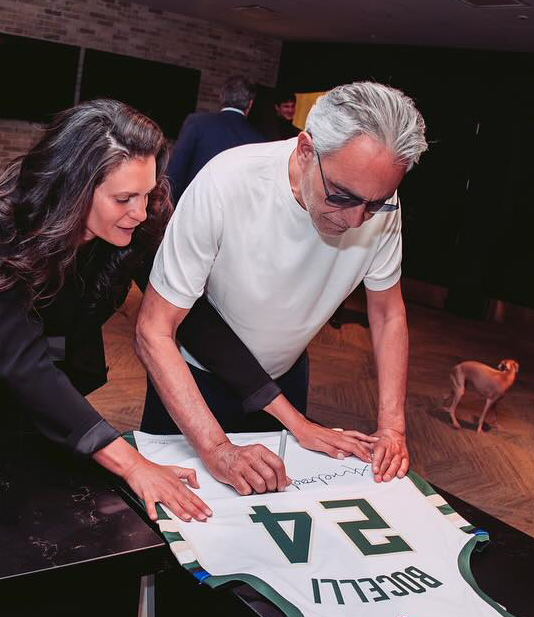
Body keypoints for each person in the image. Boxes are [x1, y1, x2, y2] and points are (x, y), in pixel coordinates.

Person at [136, 81, 428, 490]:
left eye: (375, 203)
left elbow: (387, 313)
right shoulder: (226, 181)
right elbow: (154, 329)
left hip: (285, 379)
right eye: (341, 196)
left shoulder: (379, 206)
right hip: (194, 380)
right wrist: (216, 448)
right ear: (306, 150)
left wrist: (392, 427)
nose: (355, 220)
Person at [0, 98, 252, 523]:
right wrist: (132, 464)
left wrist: (279, 405)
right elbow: (24, 363)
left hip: (54, 393)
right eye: (123, 199)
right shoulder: (8, 228)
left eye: (147, 193)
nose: (140, 211)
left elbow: (188, 315)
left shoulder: (139, 220)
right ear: (73, 188)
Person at [166, 76, 264, 205]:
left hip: (192, 205)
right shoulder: (258, 141)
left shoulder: (197, 122)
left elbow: (176, 170)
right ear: (250, 104)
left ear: (221, 97)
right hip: (230, 212)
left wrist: (170, 206)